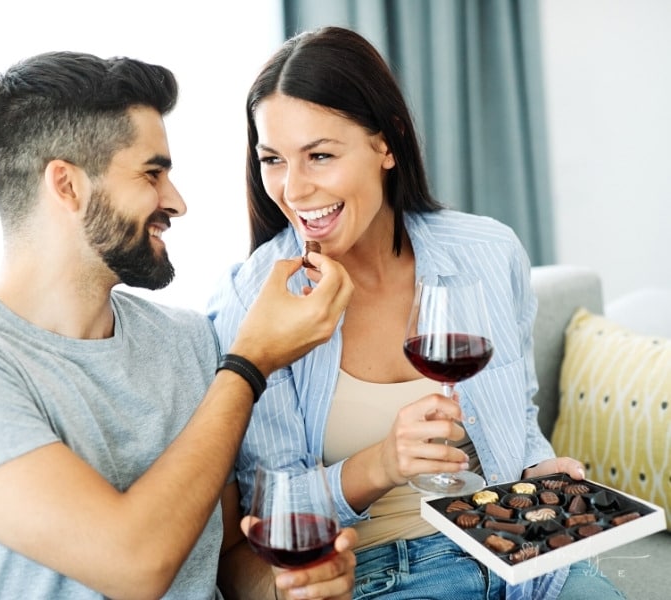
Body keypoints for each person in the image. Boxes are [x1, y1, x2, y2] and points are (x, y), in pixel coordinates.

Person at [0, 50, 359, 600]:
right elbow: (134, 566)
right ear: (67, 185)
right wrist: (249, 364)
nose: (177, 202)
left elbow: (223, 557)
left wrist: (287, 589)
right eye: (152, 173)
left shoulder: (185, 341)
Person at [207, 26, 625, 600]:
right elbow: (268, 506)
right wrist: (380, 464)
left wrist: (537, 470)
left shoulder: (487, 253)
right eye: (273, 159)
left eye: (320, 156)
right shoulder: (255, 297)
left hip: (524, 549)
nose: (294, 190)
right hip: (386, 572)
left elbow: (519, 416)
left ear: (387, 144)